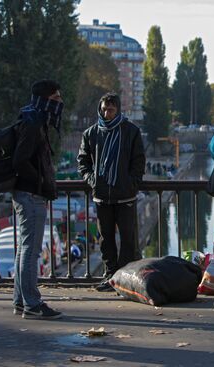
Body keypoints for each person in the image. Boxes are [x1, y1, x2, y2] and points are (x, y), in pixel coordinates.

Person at [78, 92, 146, 292]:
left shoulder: (131, 131)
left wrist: (131, 183)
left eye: (111, 110)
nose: (107, 113)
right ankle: (110, 276)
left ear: (118, 110)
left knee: (128, 238)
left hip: (125, 195)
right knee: (105, 238)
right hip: (102, 196)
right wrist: (93, 181)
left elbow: (138, 161)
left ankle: (125, 277)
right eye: (104, 109)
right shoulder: (91, 133)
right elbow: (83, 162)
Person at [12, 80, 63, 319]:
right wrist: (40, 183)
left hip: (27, 193)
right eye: (56, 98)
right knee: (31, 251)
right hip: (31, 194)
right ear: (45, 100)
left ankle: (21, 301)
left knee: (25, 249)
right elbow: (20, 160)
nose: (60, 103)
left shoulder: (32, 118)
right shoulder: (33, 123)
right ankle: (32, 303)